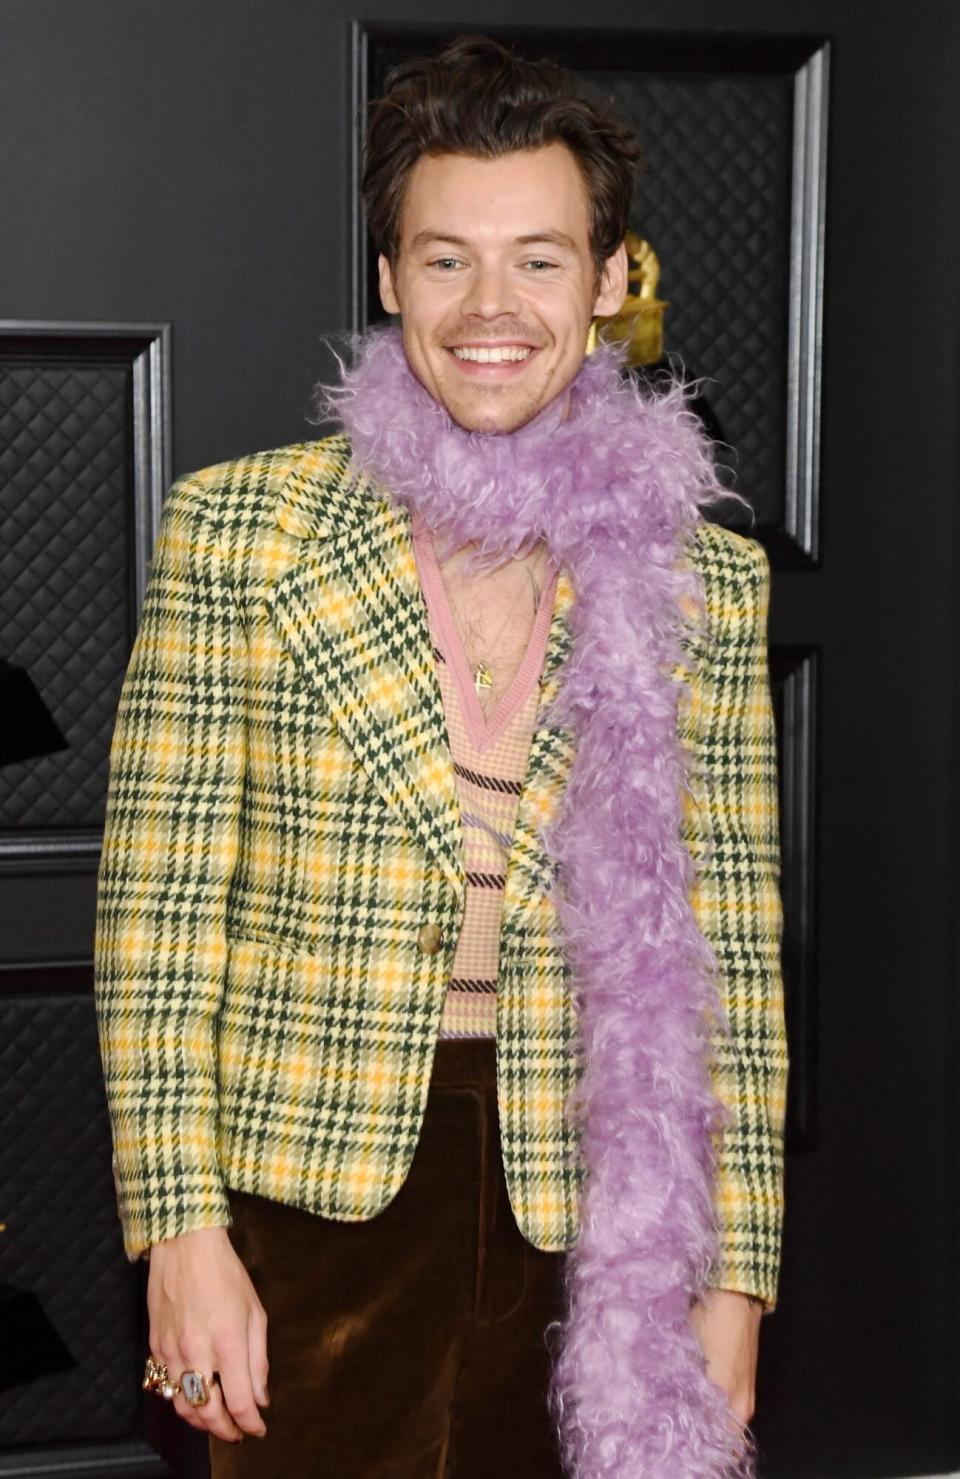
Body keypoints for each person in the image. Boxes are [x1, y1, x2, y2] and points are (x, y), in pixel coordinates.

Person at [94, 34, 787, 1479]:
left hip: (593, 1209)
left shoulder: (702, 578)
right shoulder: (243, 533)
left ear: (609, 284)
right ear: (392, 279)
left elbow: (732, 945)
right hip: (306, 1196)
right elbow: (156, 917)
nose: (492, 309)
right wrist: (178, 1233)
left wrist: (738, 1278)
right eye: (446, 259)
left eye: (540, 261)